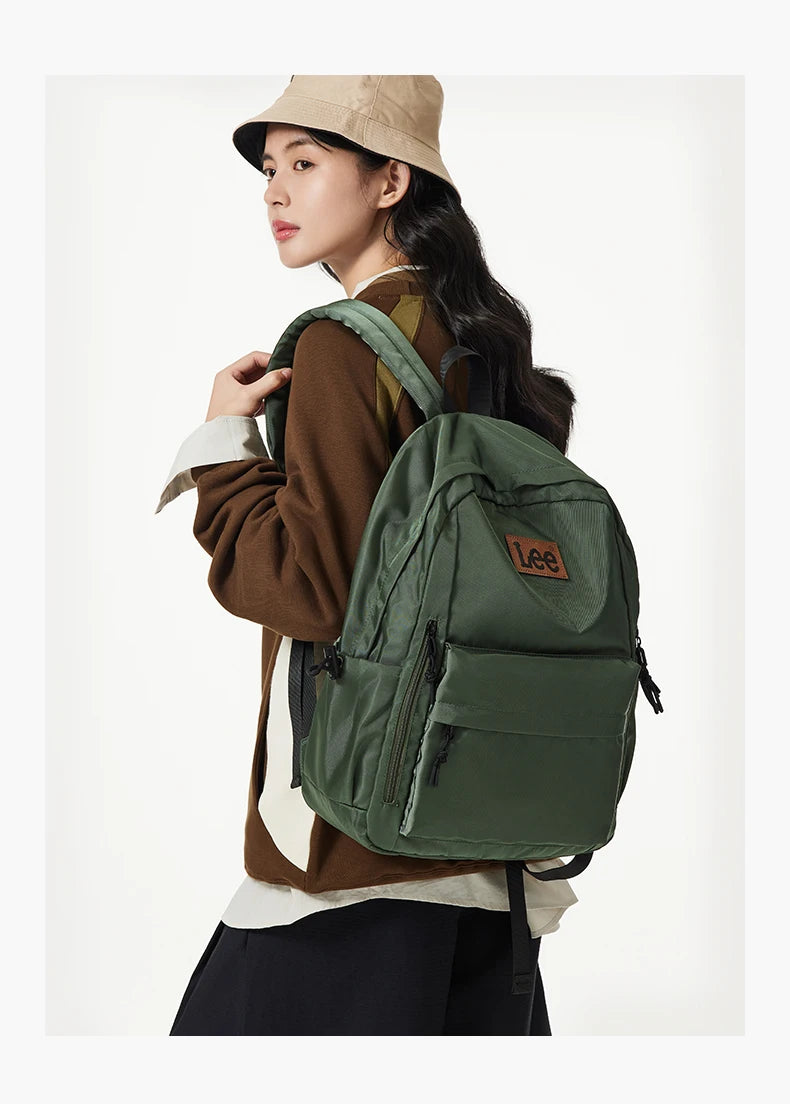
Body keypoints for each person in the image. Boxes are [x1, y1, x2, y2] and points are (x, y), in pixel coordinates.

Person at [157, 75, 579, 1036]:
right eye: (270, 169)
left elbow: (310, 589)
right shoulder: (485, 338)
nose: (275, 191)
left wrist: (225, 450)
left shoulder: (346, 346)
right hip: (490, 833)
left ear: (392, 181)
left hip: (356, 844)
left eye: (306, 163)